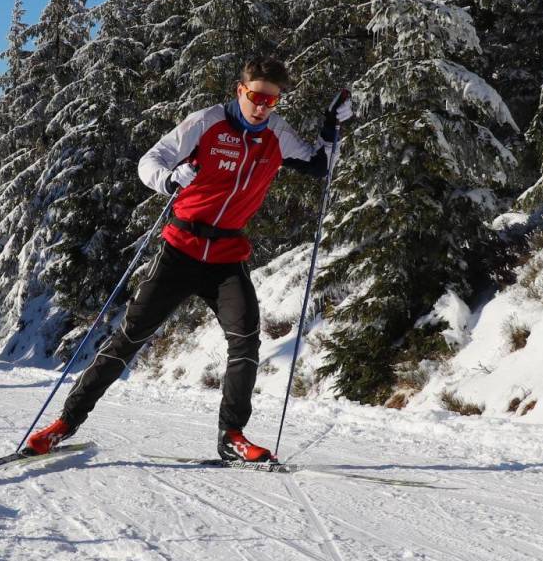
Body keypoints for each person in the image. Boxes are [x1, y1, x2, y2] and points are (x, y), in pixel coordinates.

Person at [26, 55, 351, 464]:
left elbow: (320, 165)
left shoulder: (277, 135)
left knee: (246, 339)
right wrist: (168, 179)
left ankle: (232, 435)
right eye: (256, 97)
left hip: (227, 257)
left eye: (272, 101)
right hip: (181, 249)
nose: (262, 107)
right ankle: (64, 424)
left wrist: (331, 125)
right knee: (130, 338)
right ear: (240, 90)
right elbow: (150, 162)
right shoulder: (206, 123)